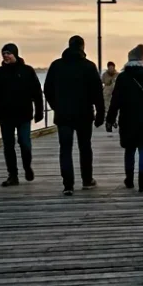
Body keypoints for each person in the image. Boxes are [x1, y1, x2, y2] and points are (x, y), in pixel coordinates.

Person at [44, 36, 105, 195]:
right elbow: (97, 92)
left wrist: (56, 106)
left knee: (65, 149)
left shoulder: (56, 66)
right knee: (85, 147)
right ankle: (87, 180)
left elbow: (48, 89)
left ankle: (68, 185)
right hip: (84, 114)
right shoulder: (89, 66)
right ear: (82, 47)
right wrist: (100, 113)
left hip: (63, 115)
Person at [106, 45, 143, 192]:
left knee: (130, 149)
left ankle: (129, 179)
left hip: (128, 117)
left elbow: (115, 100)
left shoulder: (123, 77)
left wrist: (110, 119)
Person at [0, 42, 43, 186]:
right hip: (5, 115)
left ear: (15, 54)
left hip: (24, 114)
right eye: (3, 54)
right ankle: (12, 175)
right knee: (8, 146)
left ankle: (27, 166)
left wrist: (39, 111)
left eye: (8, 53)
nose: (5, 56)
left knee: (25, 143)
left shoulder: (27, 71)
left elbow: (37, 92)